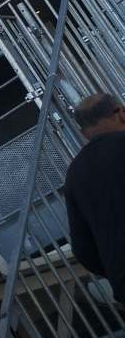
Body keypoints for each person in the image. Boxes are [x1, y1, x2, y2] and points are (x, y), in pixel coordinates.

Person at [63, 92, 125, 303]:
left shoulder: (74, 174)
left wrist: (116, 270)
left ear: (82, 132)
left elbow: (82, 248)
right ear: (121, 113)